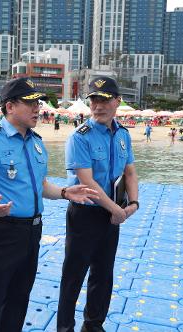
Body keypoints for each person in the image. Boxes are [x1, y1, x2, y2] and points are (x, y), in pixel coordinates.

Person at [0, 77, 99, 332]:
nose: (37, 108)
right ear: (10, 106)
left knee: (19, 297)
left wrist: (64, 192)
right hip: (2, 229)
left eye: (38, 102)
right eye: (29, 103)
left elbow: (42, 185)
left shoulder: (36, 142)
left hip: (32, 230)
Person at [57, 76, 139, 332]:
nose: (98, 106)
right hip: (85, 214)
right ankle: (65, 328)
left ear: (117, 102)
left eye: (104, 100)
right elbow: (87, 181)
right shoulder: (80, 137)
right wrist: (115, 209)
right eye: (94, 100)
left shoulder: (123, 134)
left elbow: (130, 173)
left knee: (103, 275)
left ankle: (93, 325)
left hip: (112, 217)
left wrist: (133, 204)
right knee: (73, 276)